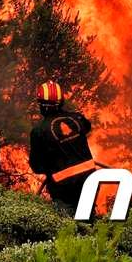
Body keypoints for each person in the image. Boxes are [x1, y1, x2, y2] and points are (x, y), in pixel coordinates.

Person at [28, 80, 97, 210]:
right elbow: (87, 127)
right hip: (89, 179)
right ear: (62, 102)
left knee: (67, 220)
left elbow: (37, 167)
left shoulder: (39, 131)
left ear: (41, 105)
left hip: (64, 188)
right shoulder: (77, 118)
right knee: (88, 216)